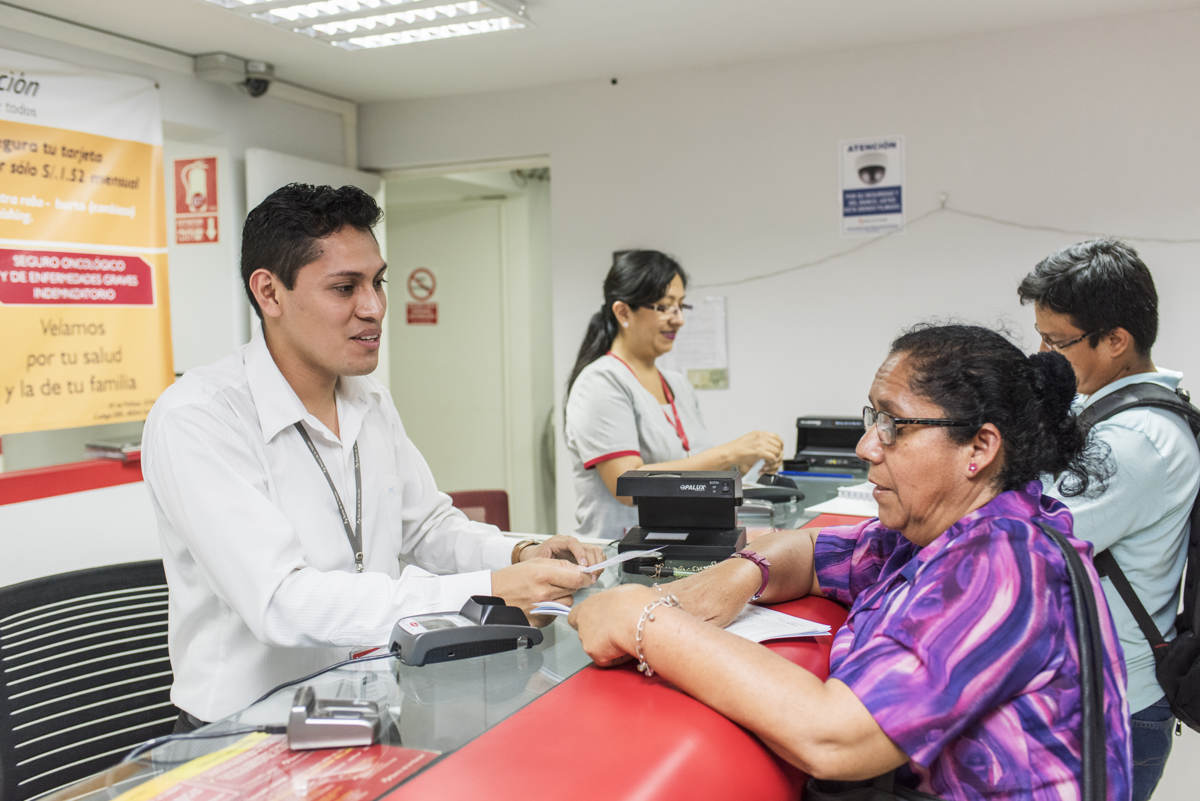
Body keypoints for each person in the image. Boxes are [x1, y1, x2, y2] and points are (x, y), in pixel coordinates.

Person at [569, 324, 1133, 800]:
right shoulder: (933, 533)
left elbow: (835, 737)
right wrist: (744, 573)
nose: (867, 446)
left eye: (894, 426)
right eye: (873, 418)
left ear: (979, 449)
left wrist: (641, 619)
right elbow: (813, 553)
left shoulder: (1002, 560)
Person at [142, 183, 603, 726]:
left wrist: (518, 555)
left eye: (377, 282)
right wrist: (489, 589)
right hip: (247, 731)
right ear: (269, 293)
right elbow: (282, 602)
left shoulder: (369, 399)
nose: (375, 308)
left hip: (372, 702)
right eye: (345, 288)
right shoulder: (199, 417)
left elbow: (427, 528)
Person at [1018, 238, 1199, 801]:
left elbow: (1028, 541)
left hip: (1110, 707)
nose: (1044, 354)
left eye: (1057, 341)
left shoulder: (1136, 439)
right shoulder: (1102, 409)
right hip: (1091, 692)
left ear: (1116, 340)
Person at [563, 249, 784, 539]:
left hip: (681, 545)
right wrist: (727, 454)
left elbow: (693, 474)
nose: (678, 319)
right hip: (619, 550)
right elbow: (625, 486)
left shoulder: (677, 384)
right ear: (623, 312)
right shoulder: (600, 382)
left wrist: (741, 463)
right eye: (665, 307)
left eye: (681, 306)